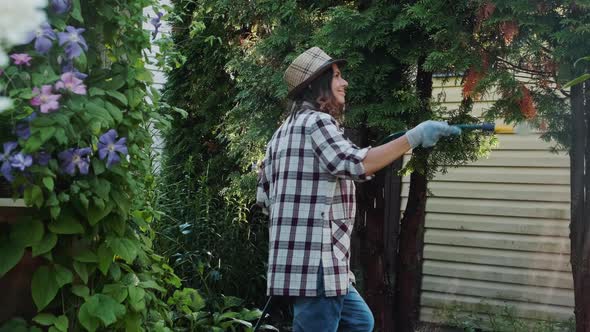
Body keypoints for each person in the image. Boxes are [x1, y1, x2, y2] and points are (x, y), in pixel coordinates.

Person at [256, 47, 460, 332]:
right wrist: (414, 136)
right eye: (337, 76)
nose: (345, 83)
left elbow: (264, 194)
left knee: (359, 322)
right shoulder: (317, 123)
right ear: (317, 86)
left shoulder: (283, 132)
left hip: (300, 265)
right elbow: (357, 164)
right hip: (317, 265)